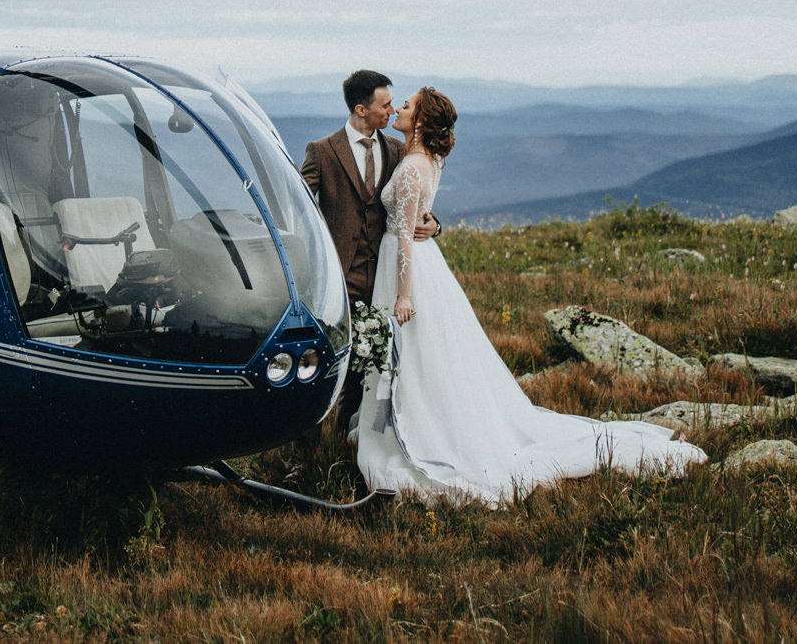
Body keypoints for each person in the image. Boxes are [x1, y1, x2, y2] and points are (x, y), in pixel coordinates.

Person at [356, 86, 707, 505]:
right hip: (413, 262)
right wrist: (430, 227)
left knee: (415, 351)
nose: (399, 109)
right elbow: (419, 220)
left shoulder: (413, 166)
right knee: (423, 355)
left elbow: (410, 234)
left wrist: (404, 296)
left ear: (421, 123)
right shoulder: (425, 160)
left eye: (407, 106)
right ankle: (401, 422)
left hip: (408, 269)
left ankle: (420, 431)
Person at [299, 69, 440, 434]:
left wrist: (435, 224)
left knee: (369, 366)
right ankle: (307, 445)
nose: (392, 111)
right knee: (327, 360)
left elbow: (417, 195)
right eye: (385, 104)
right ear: (361, 109)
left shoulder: (397, 149)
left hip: (383, 277)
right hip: (337, 277)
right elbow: (297, 206)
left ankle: (352, 440)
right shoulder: (322, 151)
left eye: (395, 104)